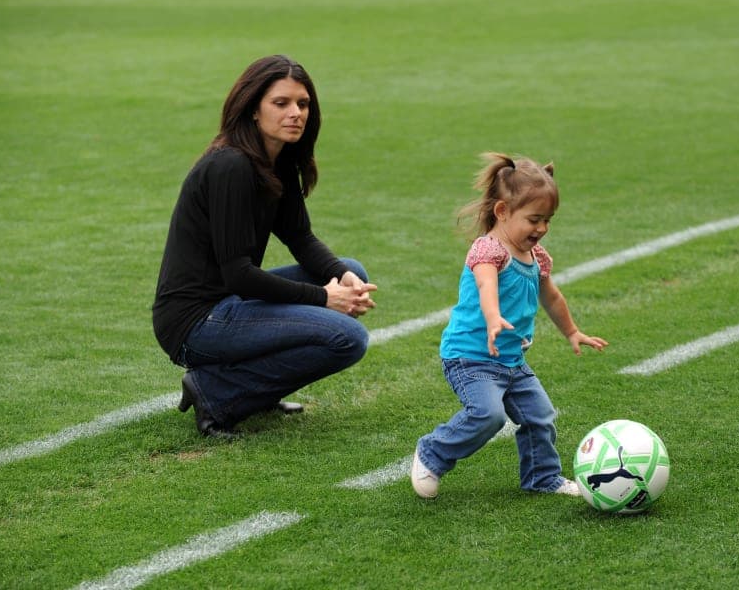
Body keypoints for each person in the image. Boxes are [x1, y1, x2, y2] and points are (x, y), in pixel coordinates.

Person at [152, 55, 377, 439]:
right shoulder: (231, 166)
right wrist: (323, 298)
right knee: (348, 339)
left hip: (228, 305)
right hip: (195, 322)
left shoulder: (279, 162)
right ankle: (217, 392)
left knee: (352, 268)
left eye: (302, 104)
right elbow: (238, 274)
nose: (295, 113)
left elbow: (301, 239)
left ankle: (251, 389)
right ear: (253, 108)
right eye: (281, 103)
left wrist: (341, 277)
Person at [411, 152, 608, 498]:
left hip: (511, 361)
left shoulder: (537, 257)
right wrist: (492, 318)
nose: (542, 228)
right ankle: (433, 452)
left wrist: (572, 331)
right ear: (502, 212)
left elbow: (552, 297)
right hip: (470, 357)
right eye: (534, 219)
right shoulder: (488, 249)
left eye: (548, 219)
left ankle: (541, 476)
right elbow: (487, 285)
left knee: (540, 415)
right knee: (488, 415)